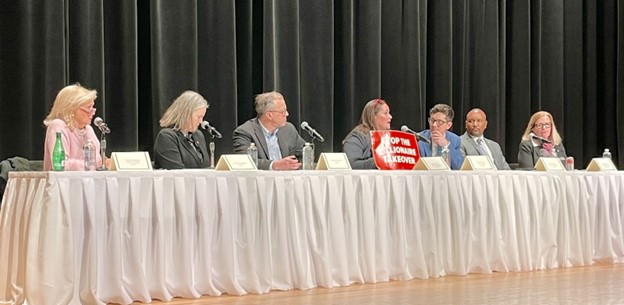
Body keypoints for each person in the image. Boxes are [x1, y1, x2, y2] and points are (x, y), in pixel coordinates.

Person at [233, 91, 305, 170]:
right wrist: (274, 165)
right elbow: (244, 162)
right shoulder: (245, 132)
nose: (287, 114)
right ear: (269, 115)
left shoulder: (288, 129)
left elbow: (304, 153)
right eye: (283, 112)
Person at [43, 84, 105, 171]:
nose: (93, 112)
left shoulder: (88, 129)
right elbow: (61, 164)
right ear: (71, 109)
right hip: (62, 183)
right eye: (88, 108)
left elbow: (97, 162)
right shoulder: (58, 126)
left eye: (93, 107)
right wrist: (92, 165)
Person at [153, 90, 210, 169]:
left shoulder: (198, 135)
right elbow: (176, 172)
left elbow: (205, 167)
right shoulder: (167, 137)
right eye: (198, 117)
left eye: (202, 117)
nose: (201, 121)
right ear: (185, 114)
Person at [342, 98, 392, 169]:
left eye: (389, 113)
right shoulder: (357, 137)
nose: (390, 117)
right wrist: (381, 160)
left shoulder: (390, 138)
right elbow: (352, 165)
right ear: (373, 116)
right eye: (385, 113)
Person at [417, 103, 465, 169]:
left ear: (449, 125)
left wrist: (446, 145)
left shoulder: (455, 140)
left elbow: (459, 167)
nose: (434, 125)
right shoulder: (419, 138)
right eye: (432, 120)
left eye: (439, 122)